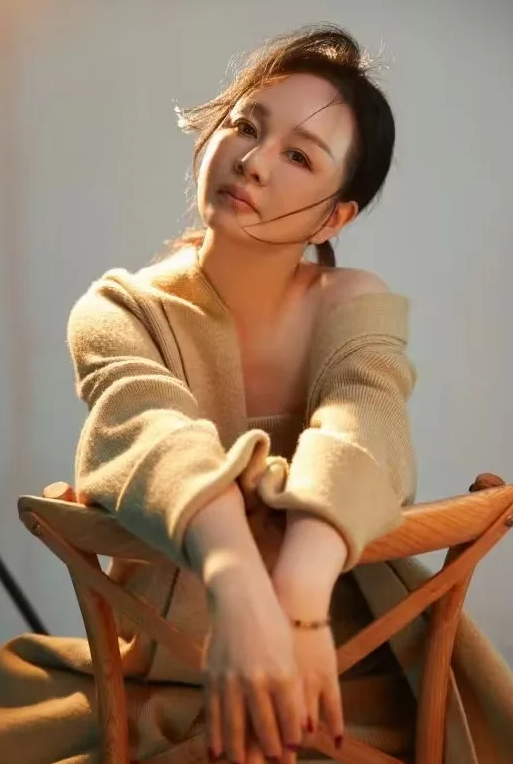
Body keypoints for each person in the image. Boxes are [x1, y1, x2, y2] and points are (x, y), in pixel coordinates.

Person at [1, 22, 513, 764]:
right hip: (155, 678)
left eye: (299, 155)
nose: (252, 160)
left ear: (335, 216)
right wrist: (236, 578)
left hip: (352, 675)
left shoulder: (350, 302)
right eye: (245, 124)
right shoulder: (119, 309)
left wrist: (299, 599)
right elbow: (148, 432)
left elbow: (365, 423)